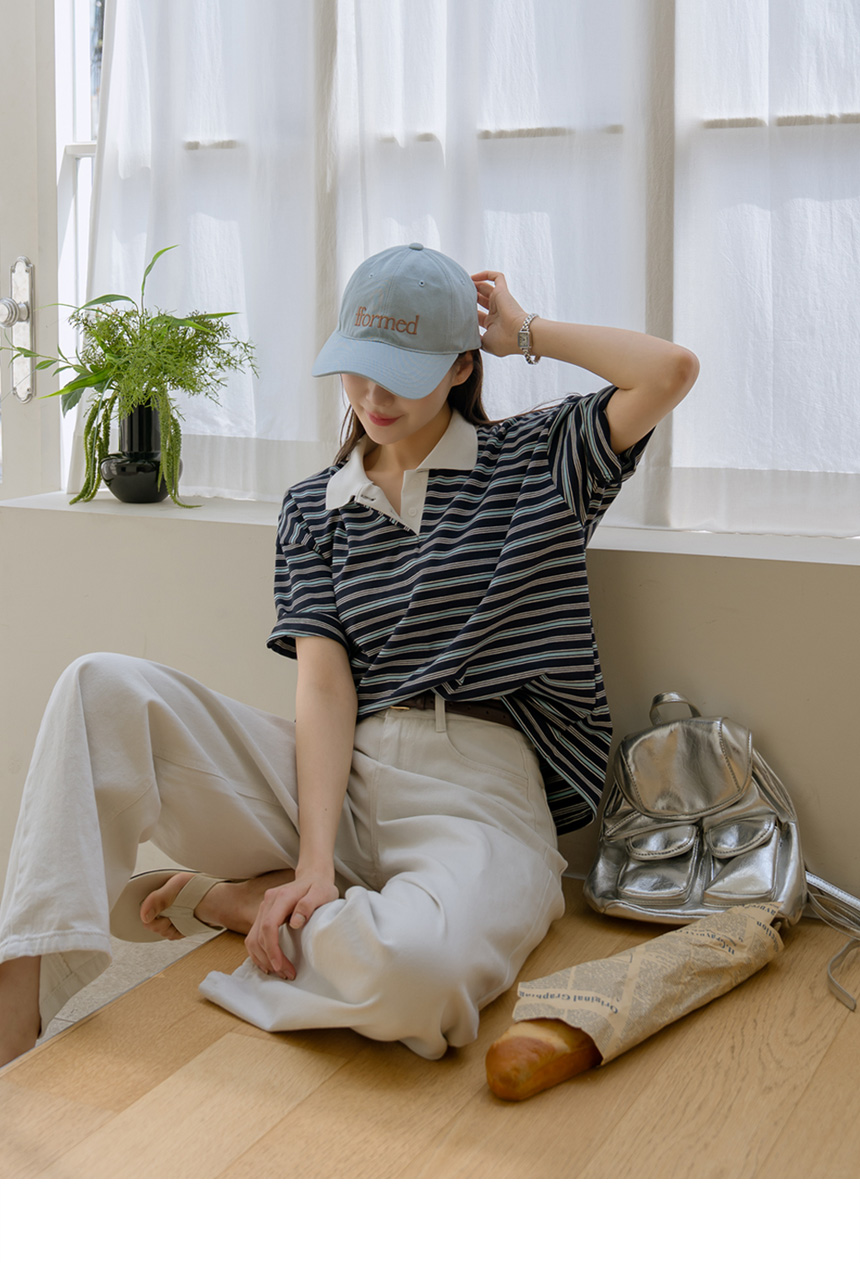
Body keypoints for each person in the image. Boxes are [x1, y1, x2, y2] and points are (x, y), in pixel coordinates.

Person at [0, 243, 698, 1066]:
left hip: (479, 800)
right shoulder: (313, 508)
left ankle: (236, 906)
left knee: (417, 978)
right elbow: (325, 689)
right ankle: (17, 1002)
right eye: (358, 369)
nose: (372, 397)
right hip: (336, 778)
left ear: (460, 368)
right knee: (98, 688)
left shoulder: (537, 461)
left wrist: (523, 331)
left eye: (401, 374)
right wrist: (314, 861)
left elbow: (668, 372)